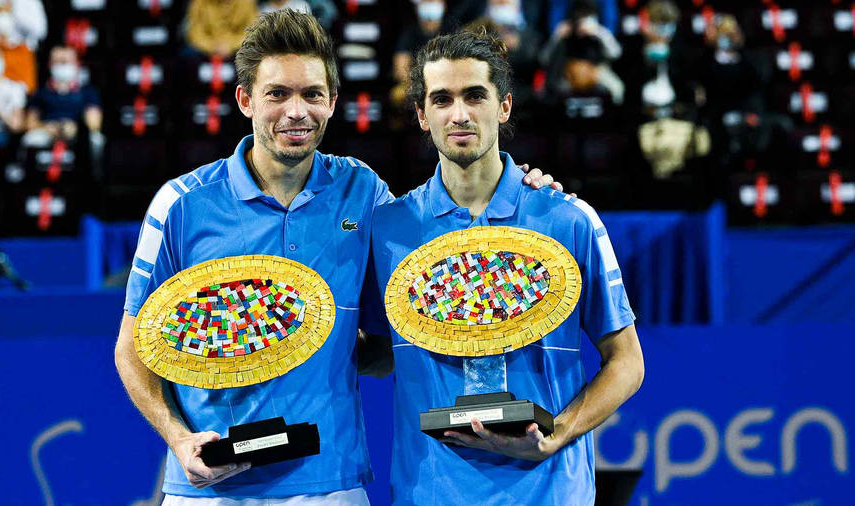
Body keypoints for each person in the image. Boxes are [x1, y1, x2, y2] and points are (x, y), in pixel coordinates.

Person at [113, 10, 559, 504]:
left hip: (332, 487)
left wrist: (526, 191)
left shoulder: (363, 193)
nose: (295, 111)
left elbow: (444, 258)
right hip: (210, 491)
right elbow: (133, 346)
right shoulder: (180, 203)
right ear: (245, 100)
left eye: (311, 95)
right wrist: (178, 439)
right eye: (277, 94)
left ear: (332, 103)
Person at [366, 27, 644, 504]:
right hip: (432, 494)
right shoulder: (387, 231)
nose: (459, 114)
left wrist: (556, 433)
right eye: (442, 99)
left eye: (475, 95)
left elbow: (627, 362)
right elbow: (379, 352)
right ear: (420, 114)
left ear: (504, 107)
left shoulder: (567, 219)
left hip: (550, 492)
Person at [24, 46, 102, 146]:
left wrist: (75, 128)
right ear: (50, 65)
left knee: (95, 140)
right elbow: (30, 123)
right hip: (47, 132)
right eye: (58, 61)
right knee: (31, 139)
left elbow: (95, 123)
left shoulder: (88, 92)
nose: (62, 65)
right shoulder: (40, 93)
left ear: (77, 64)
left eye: (65, 61)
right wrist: (46, 127)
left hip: (78, 133)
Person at [183, 0, 260, 59]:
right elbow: (194, 31)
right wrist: (210, 47)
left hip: (237, 49)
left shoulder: (246, 3)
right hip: (204, 50)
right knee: (185, 56)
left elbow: (252, 31)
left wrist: (230, 46)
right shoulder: (200, 2)